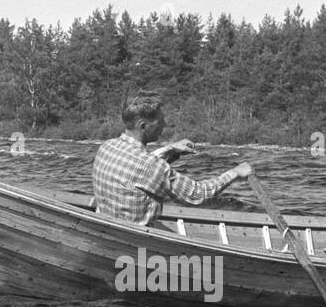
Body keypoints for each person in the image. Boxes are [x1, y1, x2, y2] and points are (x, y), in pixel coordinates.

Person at [93, 92, 252, 226]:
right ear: (143, 125)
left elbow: (137, 169)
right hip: (139, 238)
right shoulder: (152, 167)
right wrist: (236, 173)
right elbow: (198, 194)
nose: (165, 125)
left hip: (110, 225)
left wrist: (172, 150)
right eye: (160, 121)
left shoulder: (107, 147)